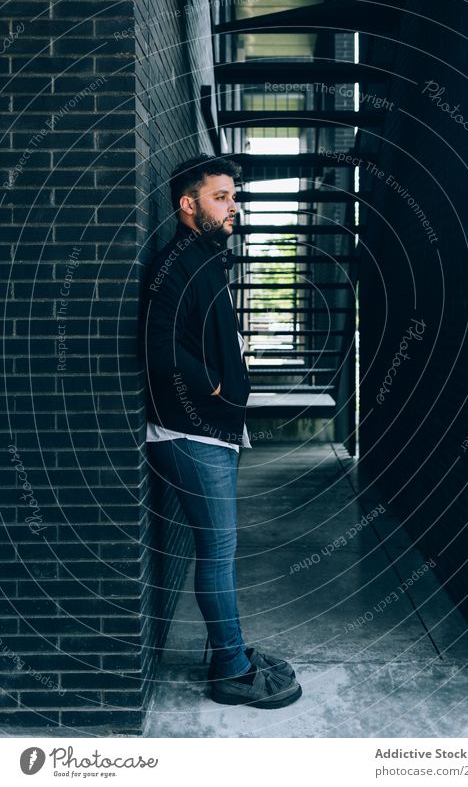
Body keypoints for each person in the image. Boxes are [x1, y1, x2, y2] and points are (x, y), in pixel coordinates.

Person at [142, 154, 302, 708]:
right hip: (191, 433)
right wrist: (209, 385)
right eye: (220, 197)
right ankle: (231, 672)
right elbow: (157, 345)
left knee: (219, 550)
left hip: (211, 431)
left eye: (234, 196)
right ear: (189, 205)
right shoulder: (176, 262)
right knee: (217, 551)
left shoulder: (203, 257)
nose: (233, 205)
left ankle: (229, 652)